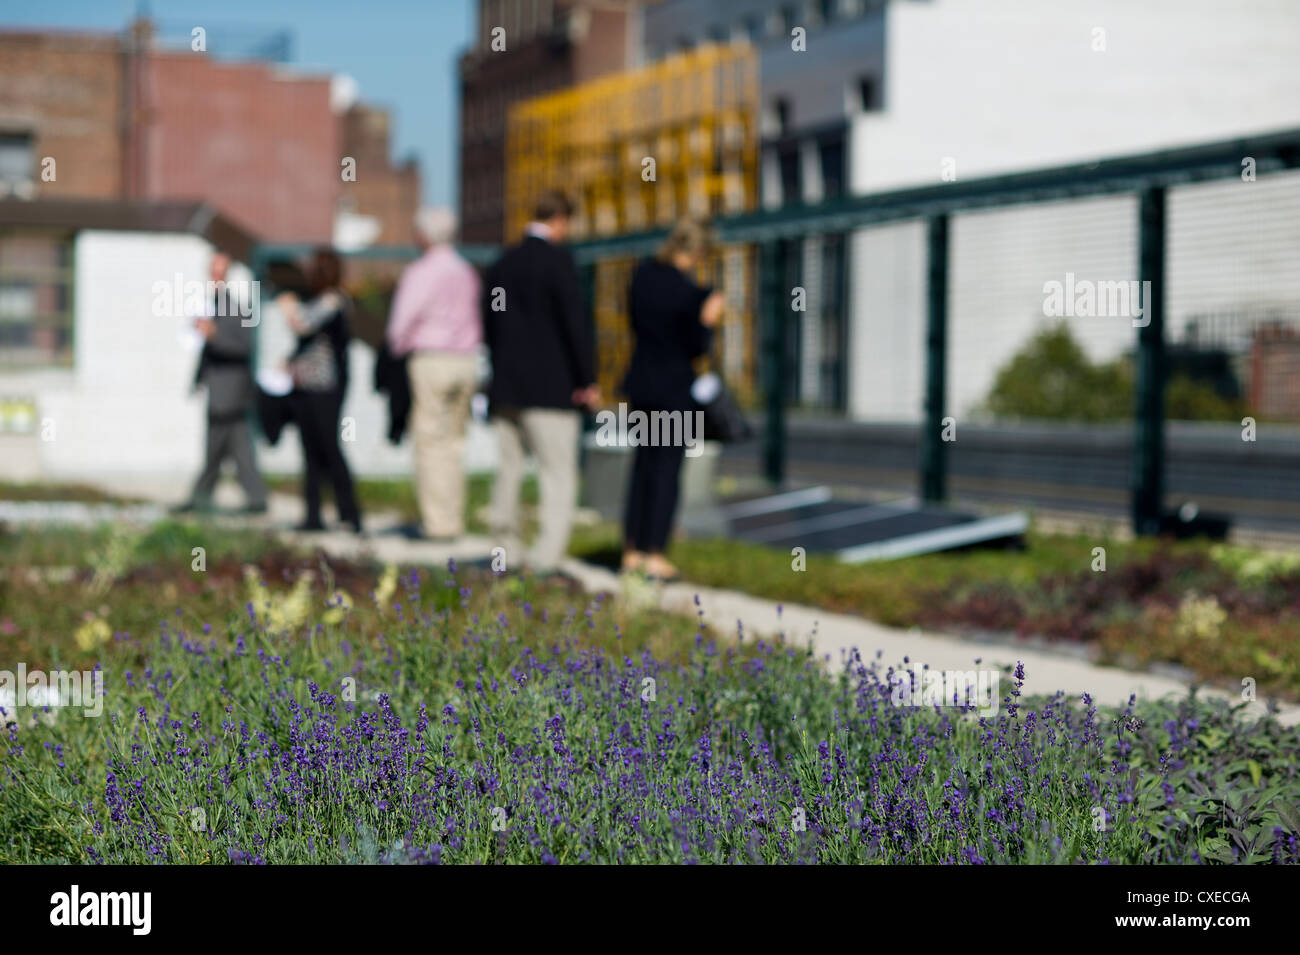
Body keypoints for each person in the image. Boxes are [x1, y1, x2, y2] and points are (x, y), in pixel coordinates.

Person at [483, 190, 599, 573]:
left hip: (506, 385)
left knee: (509, 469)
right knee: (557, 473)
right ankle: (545, 557)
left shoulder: (503, 264)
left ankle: (506, 550)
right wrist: (588, 378)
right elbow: (574, 324)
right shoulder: (559, 263)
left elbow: (491, 322)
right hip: (551, 387)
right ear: (562, 220)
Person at [620, 219, 724, 581]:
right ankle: (655, 554)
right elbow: (696, 347)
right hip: (674, 389)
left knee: (643, 466)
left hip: (642, 384)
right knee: (667, 470)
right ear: (697, 251)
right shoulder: (690, 293)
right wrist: (708, 320)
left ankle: (631, 549)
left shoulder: (641, 277)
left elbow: (635, 325)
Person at [385, 208, 483, 540]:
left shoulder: (421, 272)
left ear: (423, 235)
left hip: (432, 360)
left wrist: (395, 351)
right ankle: (453, 518)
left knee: (430, 442)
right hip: (466, 361)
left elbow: (401, 322)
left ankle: (438, 523)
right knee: (455, 442)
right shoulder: (466, 271)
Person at [175, 251, 268, 515]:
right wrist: (198, 379)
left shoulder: (233, 307)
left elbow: (244, 347)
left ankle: (200, 498)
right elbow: (205, 350)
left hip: (231, 391)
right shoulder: (210, 305)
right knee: (237, 449)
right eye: (212, 273)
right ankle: (254, 498)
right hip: (219, 390)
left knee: (217, 448)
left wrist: (215, 336)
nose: (214, 279)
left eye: (219, 274)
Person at [279, 248, 363, 534]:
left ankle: (350, 514)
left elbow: (303, 325)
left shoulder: (334, 300)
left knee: (329, 448)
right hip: (306, 386)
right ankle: (313, 515)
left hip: (326, 388)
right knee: (310, 452)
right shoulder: (318, 300)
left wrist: (288, 306)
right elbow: (309, 342)